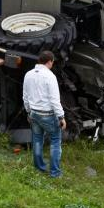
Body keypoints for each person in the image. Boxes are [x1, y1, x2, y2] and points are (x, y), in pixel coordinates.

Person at [23, 50, 66, 178]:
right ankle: (55, 173)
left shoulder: (28, 74)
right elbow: (54, 100)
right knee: (55, 141)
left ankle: (39, 167)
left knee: (37, 139)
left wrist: (28, 111)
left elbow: (25, 96)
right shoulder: (50, 76)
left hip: (34, 113)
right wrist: (61, 117)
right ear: (49, 61)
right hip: (48, 115)